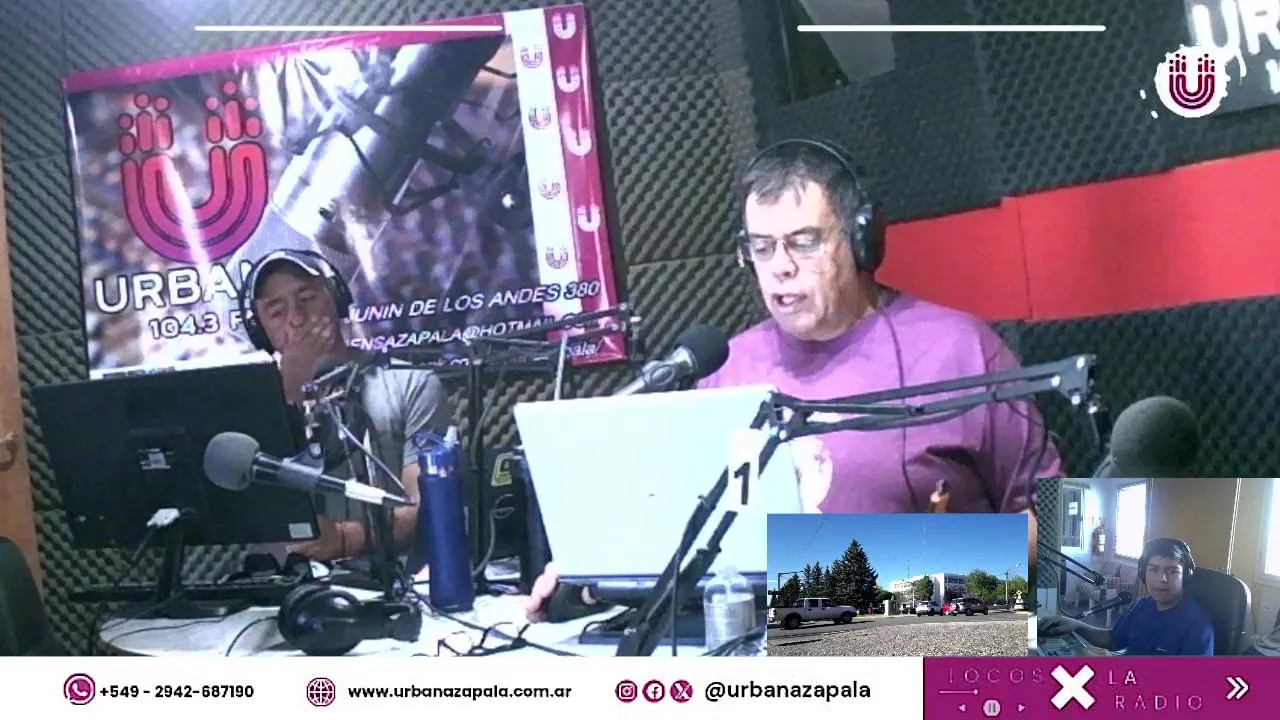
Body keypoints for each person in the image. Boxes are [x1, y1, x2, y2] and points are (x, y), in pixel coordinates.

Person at [524, 138, 1058, 620]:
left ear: (861, 240)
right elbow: (699, 535)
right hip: (759, 641)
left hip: (922, 630)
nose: (780, 266)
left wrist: (910, 572)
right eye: (762, 247)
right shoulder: (725, 368)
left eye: (804, 241)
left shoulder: (959, 350)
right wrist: (599, 578)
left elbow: (1064, 535)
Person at [239, 248, 451, 561]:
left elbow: (429, 507)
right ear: (261, 331)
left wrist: (346, 539)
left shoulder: (411, 385)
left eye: (307, 298)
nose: (297, 318)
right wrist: (291, 396)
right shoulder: (247, 408)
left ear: (336, 300)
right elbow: (257, 510)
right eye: (277, 311)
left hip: (392, 580)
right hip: (286, 583)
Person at [1038, 538, 1214, 656]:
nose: (1162, 579)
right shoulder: (1142, 605)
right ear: (1143, 573)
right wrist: (1076, 625)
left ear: (1186, 576)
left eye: (1173, 571)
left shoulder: (1197, 625)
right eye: (1153, 569)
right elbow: (1114, 639)